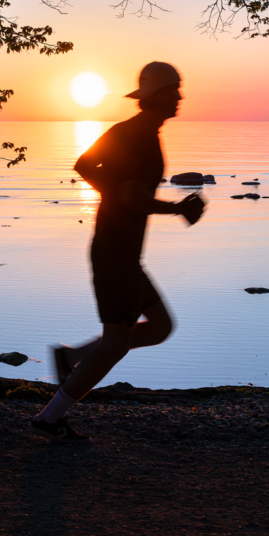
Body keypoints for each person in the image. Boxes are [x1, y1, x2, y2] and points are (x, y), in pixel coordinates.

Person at [31, 61, 205, 442]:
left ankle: (69, 358)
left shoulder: (132, 131)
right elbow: (131, 195)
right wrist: (176, 208)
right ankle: (50, 417)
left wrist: (114, 192)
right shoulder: (139, 136)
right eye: (174, 90)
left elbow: (84, 165)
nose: (180, 96)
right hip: (115, 255)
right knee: (114, 346)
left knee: (159, 327)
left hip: (124, 254)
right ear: (158, 96)